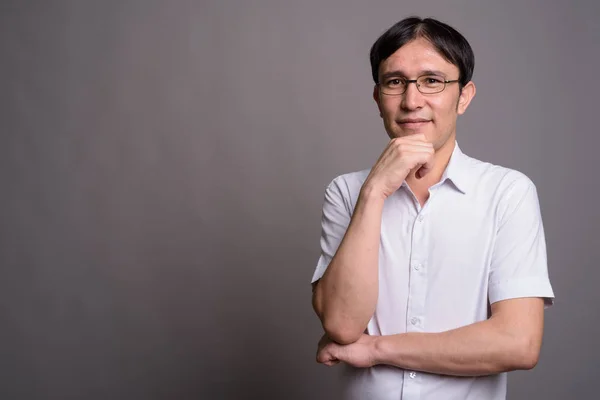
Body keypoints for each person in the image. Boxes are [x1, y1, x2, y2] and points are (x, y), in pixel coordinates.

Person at [310, 16, 555, 400]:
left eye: (432, 81)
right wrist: (374, 191)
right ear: (377, 99)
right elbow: (342, 324)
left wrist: (376, 348)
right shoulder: (347, 192)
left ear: (464, 96)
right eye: (395, 82)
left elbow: (517, 343)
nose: (411, 101)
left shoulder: (507, 192)